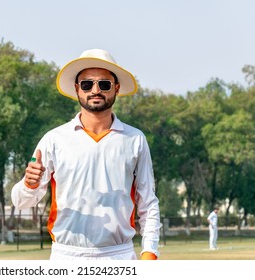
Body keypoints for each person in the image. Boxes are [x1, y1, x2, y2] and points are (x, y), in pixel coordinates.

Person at [11, 49, 160, 260]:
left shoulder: (135, 139)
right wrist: (29, 185)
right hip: (67, 256)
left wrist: (150, 250)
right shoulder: (55, 139)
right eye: (87, 84)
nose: (95, 90)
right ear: (77, 89)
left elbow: (148, 202)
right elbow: (21, 202)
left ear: (116, 88)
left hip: (118, 256)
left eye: (104, 84)